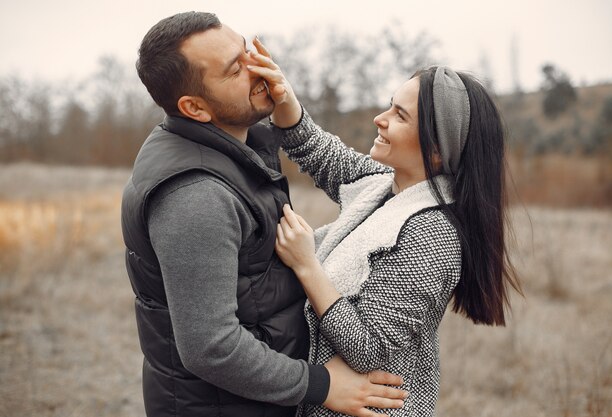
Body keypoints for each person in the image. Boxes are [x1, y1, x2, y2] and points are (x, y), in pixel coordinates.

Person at [121, 11, 407, 417]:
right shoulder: (196, 195)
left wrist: (288, 111)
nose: (259, 70)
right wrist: (321, 385)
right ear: (194, 107)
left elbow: (379, 180)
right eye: (235, 69)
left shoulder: (237, 145)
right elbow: (211, 348)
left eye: (247, 50)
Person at [252, 52, 522, 415]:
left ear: (438, 150)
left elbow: (370, 348)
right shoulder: (384, 186)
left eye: (400, 115)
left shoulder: (432, 233)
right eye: (389, 106)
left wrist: (306, 266)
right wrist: (284, 99)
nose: (380, 119)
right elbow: (319, 151)